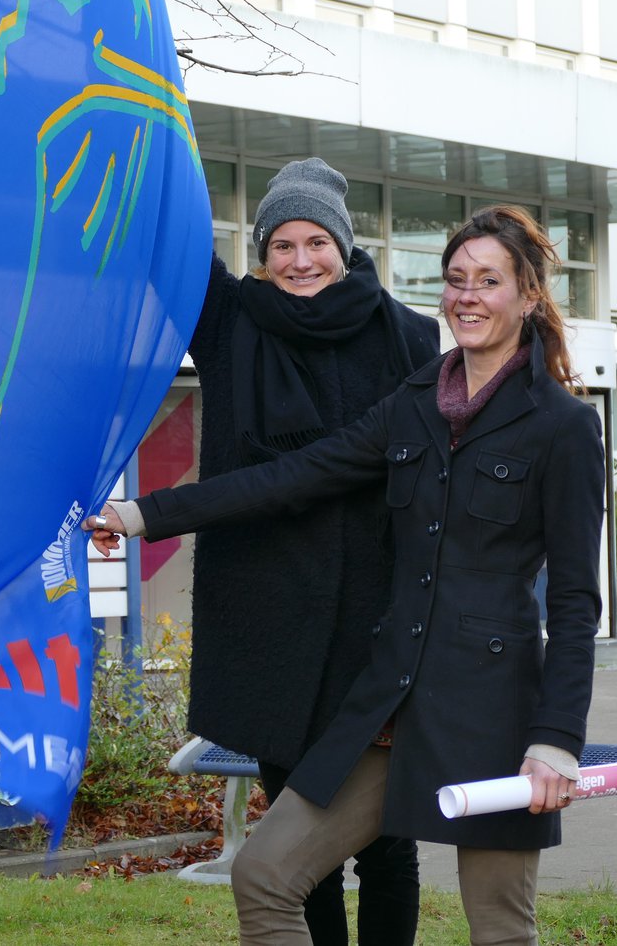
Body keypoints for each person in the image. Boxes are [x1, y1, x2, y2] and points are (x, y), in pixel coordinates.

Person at [89, 204, 605, 946]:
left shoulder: (562, 425)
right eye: (455, 279)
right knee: (264, 875)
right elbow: (292, 477)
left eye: (489, 280)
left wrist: (556, 739)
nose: (467, 295)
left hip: (492, 709)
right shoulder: (417, 402)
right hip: (385, 700)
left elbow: (575, 601)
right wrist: (140, 515)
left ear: (528, 296)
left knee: (500, 929)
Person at [178, 157, 436, 945]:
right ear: (260, 251)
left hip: (375, 616)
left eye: (315, 241)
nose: (298, 260)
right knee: (297, 833)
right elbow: (173, 234)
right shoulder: (227, 320)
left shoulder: (412, 336)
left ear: (346, 246)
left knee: (386, 837)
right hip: (269, 620)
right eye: (281, 243)